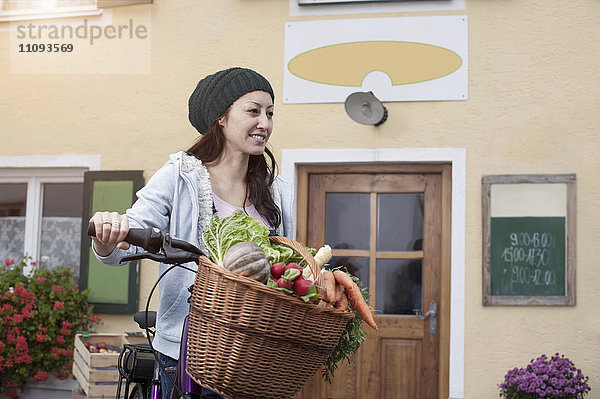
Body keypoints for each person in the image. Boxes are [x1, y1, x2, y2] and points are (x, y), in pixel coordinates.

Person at [89, 67, 294, 399]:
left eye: (270, 113)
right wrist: (108, 233)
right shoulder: (180, 176)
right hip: (189, 347)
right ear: (221, 118)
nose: (265, 123)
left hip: (257, 352)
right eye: (253, 111)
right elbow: (123, 245)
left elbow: (293, 262)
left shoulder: (279, 192)